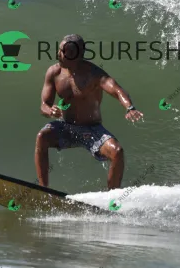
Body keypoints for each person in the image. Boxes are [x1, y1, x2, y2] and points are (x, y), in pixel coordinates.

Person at [35, 34, 143, 189]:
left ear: (76, 55)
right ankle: (43, 189)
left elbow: (116, 89)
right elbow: (44, 105)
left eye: (64, 51)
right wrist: (49, 110)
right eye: (59, 50)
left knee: (117, 152)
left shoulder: (93, 74)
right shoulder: (54, 72)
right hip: (66, 126)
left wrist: (129, 107)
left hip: (92, 129)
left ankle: (113, 196)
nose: (58, 54)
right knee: (42, 136)